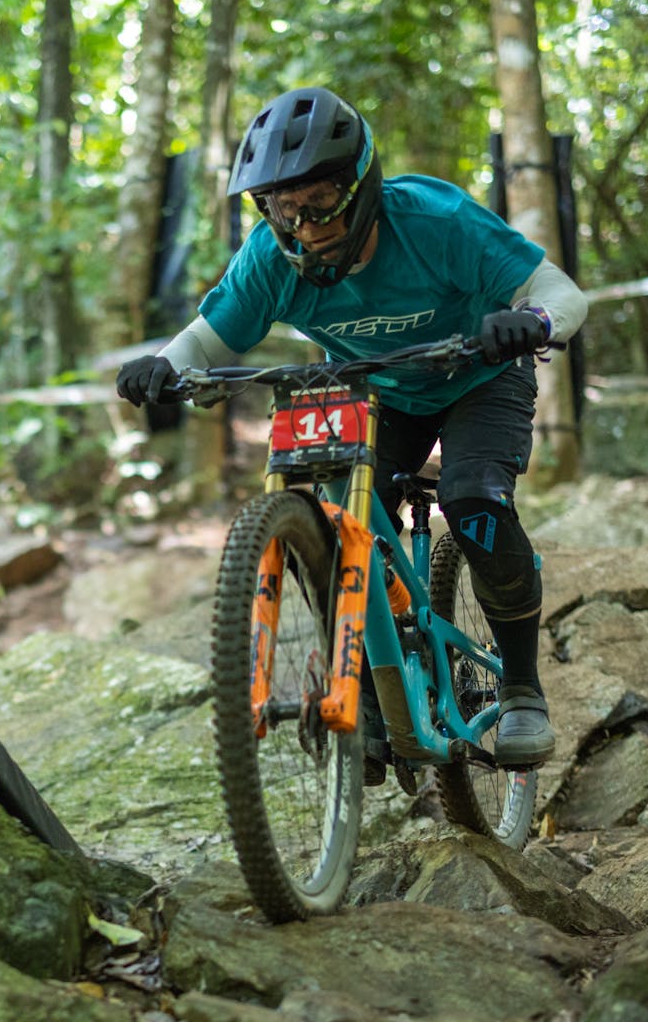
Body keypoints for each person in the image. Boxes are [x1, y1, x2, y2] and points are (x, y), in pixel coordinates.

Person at [117, 86, 588, 779]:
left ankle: (521, 689)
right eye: (283, 208)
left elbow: (561, 293)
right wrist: (161, 368)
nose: (304, 225)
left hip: (480, 377)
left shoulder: (436, 220)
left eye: (321, 200)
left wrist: (533, 322)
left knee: (474, 502)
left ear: (362, 184)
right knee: (332, 525)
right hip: (376, 388)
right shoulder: (270, 260)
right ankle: (366, 694)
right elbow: (207, 339)